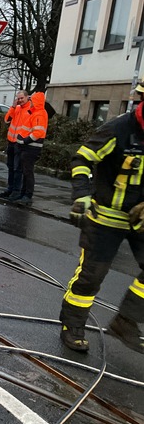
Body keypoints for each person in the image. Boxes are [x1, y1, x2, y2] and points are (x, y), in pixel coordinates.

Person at [58, 82, 144, 354]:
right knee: (91, 276)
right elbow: (82, 159)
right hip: (105, 219)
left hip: (140, 221)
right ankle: (72, 325)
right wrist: (81, 195)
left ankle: (126, 321)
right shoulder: (118, 130)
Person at [11, 91, 48, 205]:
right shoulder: (35, 113)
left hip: (31, 147)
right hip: (27, 147)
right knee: (25, 172)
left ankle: (27, 195)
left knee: (28, 172)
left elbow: (38, 132)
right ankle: (23, 194)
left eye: (32, 101)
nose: (30, 103)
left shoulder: (39, 114)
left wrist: (24, 141)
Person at [0, 90, 30, 199]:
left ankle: (16, 191)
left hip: (20, 143)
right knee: (11, 166)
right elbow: (7, 120)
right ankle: (10, 188)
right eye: (18, 98)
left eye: (22, 98)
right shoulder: (16, 108)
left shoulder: (30, 110)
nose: (20, 100)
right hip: (11, 142)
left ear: (27, 97)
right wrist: (12, 107)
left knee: (18, 169)